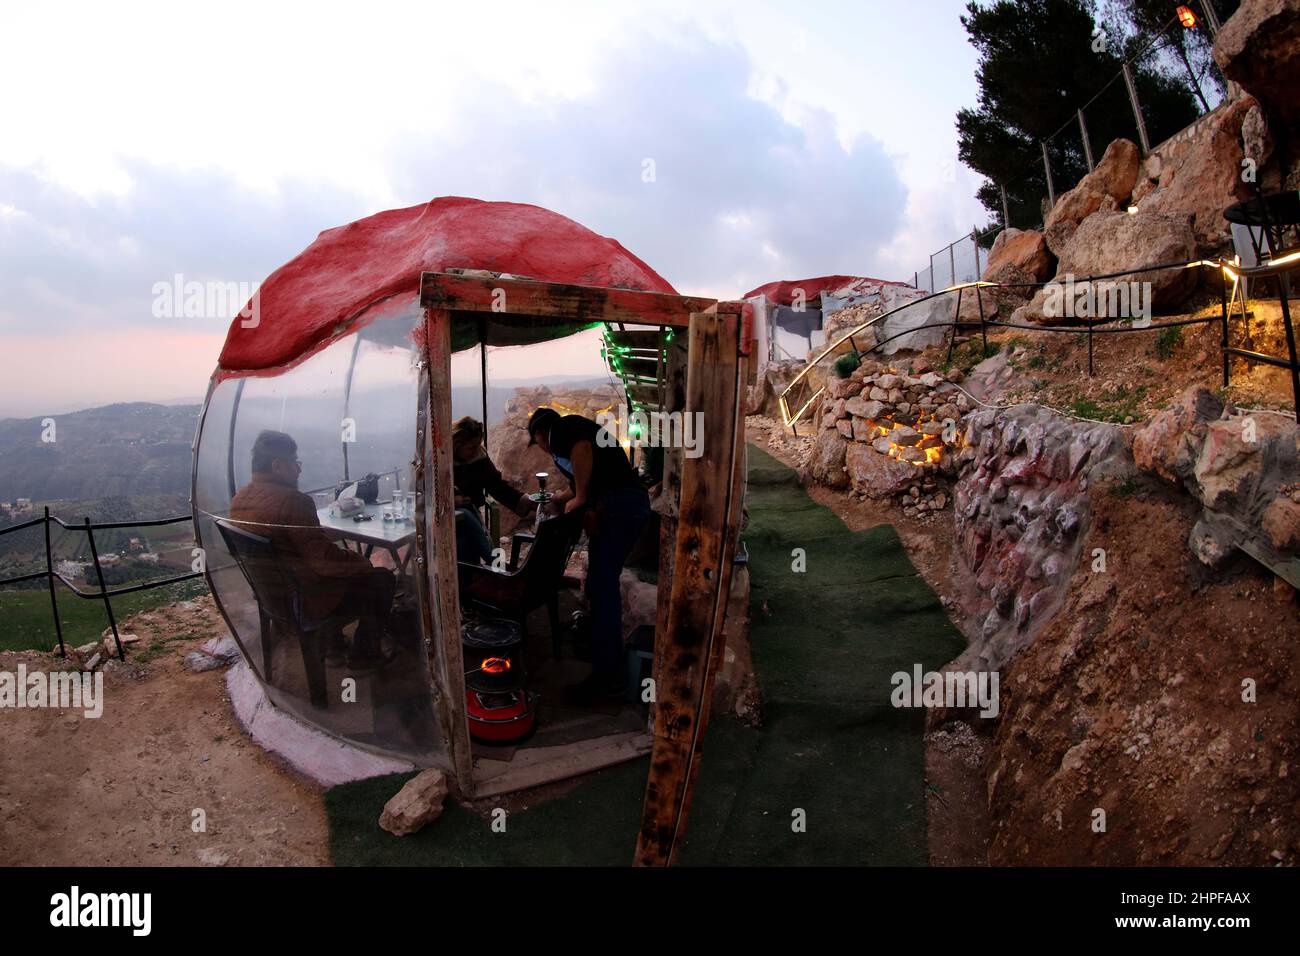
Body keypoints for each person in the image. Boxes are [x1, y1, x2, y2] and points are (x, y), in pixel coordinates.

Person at [229, 429, 394, 670]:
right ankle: (364, 657)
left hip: (273, 599)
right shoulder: (294, 501)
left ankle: (333, 647)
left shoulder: (240, 499)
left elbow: (287, 542)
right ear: (277, 465)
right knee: (382, 580)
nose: (299, 469)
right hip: (305, 604)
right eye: (295, 462)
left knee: (339, 576)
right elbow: (325, 563)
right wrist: (361, 562)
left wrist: (319, 537)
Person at [527, 406, 651, 705]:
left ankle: (607, 675)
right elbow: (582, 477)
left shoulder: (564, 430)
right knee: (599, 583)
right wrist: (563, 498)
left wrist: (582, 498)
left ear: (541, 434)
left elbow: (581, 450)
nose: (545, 451)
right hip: (626, 506)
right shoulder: (577, 440)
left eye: (539, 444)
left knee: (604, 585)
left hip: (620, 507)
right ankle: (603, 652)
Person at [452, 416, 535, 564]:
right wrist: (451, 502)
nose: (475, 450)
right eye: (471, 447)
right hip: (444, 520)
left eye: (478, 445)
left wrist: (529, 502)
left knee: (469, 551)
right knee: (464, 519)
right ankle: (495, 564)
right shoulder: (439, 458)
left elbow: (497, 487)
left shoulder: (478, 458)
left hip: (470, 512)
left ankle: (492, 567)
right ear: (457, 444)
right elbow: (427, 494)